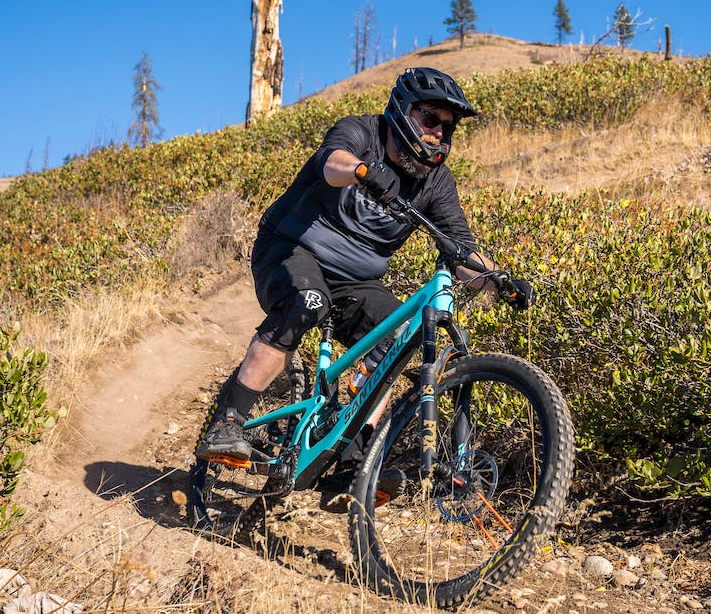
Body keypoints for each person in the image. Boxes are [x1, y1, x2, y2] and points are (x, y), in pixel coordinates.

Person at [194, 67, 533, 510]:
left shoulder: (436, 183)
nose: (438, 133)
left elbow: (459, 250)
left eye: (447, 127)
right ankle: (229, 422)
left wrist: (498, 281)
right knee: (305, 304)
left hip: (357, 281)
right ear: (402, 111)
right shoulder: (362, 132)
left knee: (397, 338)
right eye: (430, 119)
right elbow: (330, 163)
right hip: (292, 248)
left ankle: (351, 467)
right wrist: (359, 170)